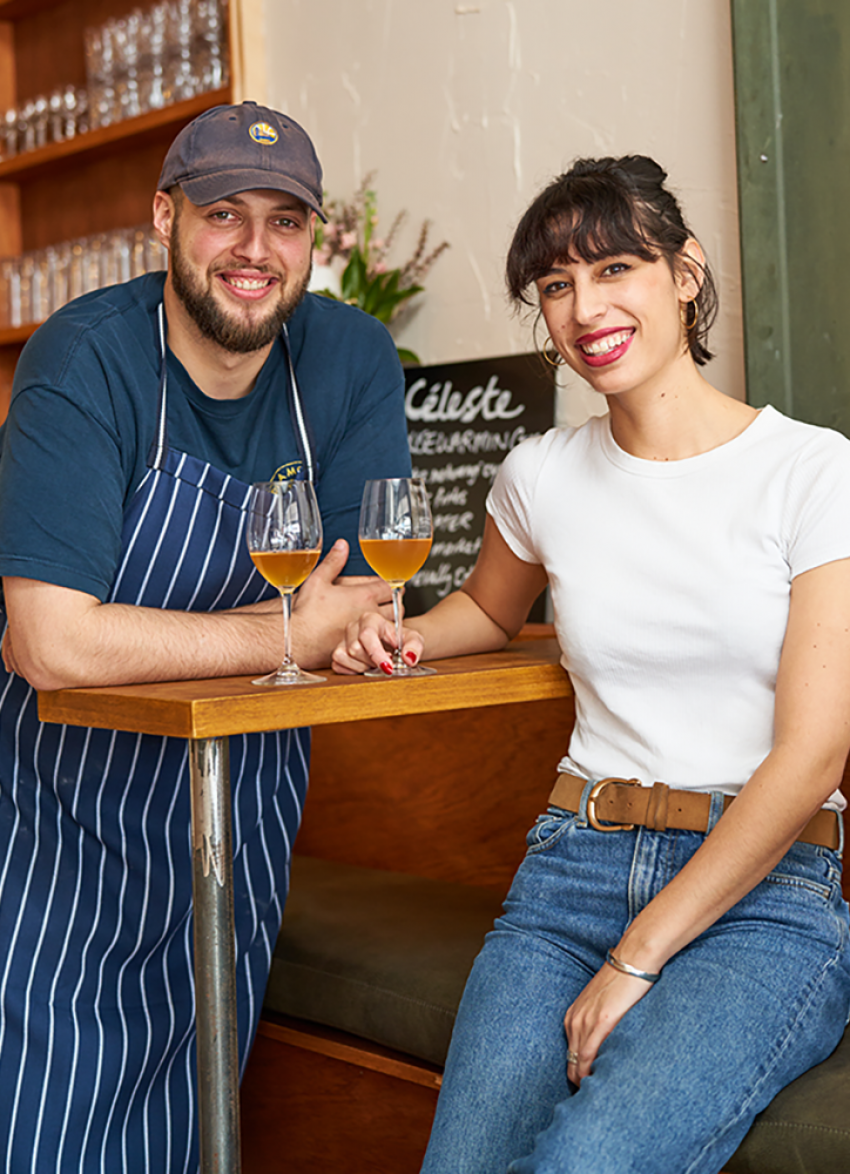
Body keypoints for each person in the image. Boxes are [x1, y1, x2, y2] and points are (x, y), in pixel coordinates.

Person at [333, 155, 850, 1174]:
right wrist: (397, 636)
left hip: (769, 893)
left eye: (615, 268)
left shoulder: (810, 471)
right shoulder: (539, 473)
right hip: (569, 866)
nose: (583, 307)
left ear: (685, 272)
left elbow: (813, 753)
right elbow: (487, 607)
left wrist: (638, 952)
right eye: (556, 286)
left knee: (584, 1164)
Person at [0, 101, 410, 1172]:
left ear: (313, 240)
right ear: (162, 217)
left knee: (193, 1109)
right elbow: (49, 643)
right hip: (54, 813)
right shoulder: (85, 360)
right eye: (223, 212)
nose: (253, 249)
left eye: (284, 221)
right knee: (40, 1111)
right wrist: (284, 626)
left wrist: (338, 629)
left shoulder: (351, 357)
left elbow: (365, 600)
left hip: (240, 804)